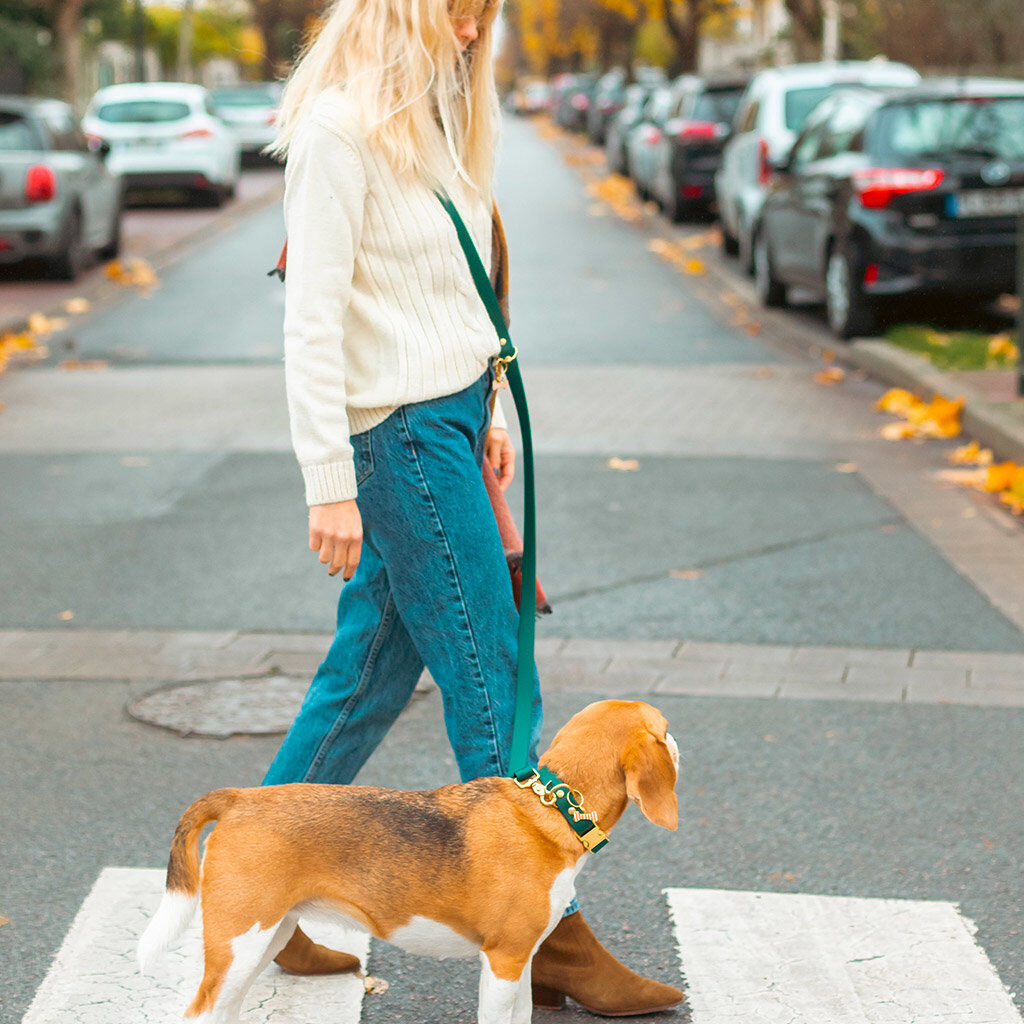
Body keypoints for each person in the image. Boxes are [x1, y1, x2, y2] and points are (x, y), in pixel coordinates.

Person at [260, 0, 683, 1014]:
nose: (467, 31)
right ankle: (551, 933)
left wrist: (485, 399)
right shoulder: (335, 133)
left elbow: (452, 288)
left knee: (362, 678)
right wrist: (329, 481)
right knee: (492, 673)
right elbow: (311, 322)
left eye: (482, 14)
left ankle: (266, 894)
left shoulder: (430, 122)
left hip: (445, 418)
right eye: (455, 9)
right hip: (398, 435)